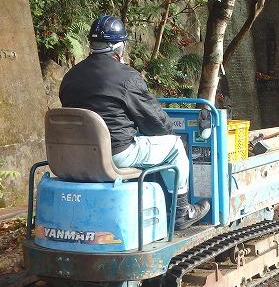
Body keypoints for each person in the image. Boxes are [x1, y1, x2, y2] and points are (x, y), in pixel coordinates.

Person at [59, 14, 209, 230]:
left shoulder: (70, 76)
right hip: (116, 155)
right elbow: (158, 125)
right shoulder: (126, 77)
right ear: (119, 48)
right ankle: (182, 212)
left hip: (75, 156)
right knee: (174, 146)